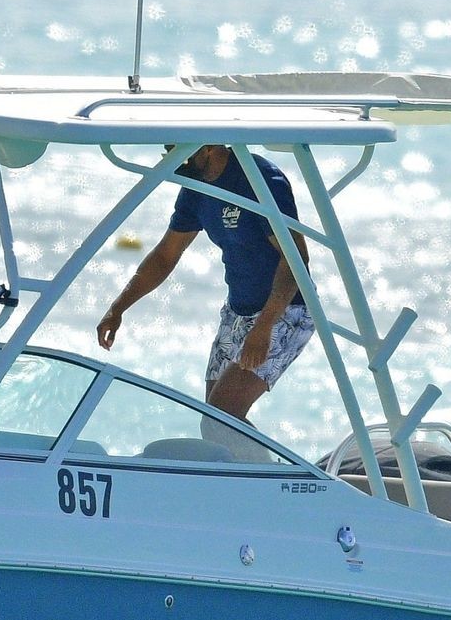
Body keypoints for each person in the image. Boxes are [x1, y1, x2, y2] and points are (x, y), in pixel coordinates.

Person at [97, 145, 314, 425]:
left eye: (178, 150)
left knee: (223, 413)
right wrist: (117, 309)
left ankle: (269, 458)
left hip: (285, 310)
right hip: (237, 311)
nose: (173, 158)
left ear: (209, 147)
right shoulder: (196, 186)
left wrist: (264, 327)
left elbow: (295, 259)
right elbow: (165, 256)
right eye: (168, 149)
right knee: (213, 419)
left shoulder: (260, 179)